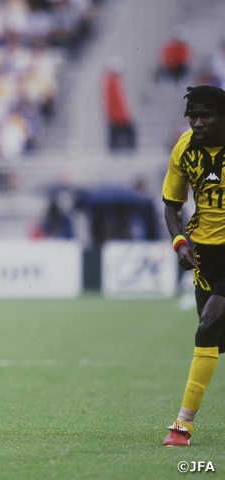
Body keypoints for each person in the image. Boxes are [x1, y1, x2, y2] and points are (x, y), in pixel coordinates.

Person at [161, 85, 225, 446]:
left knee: (207, 325)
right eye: (193, 116)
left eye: (206, 116)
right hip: (205, 255)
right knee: (214, 339)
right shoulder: (184, 148)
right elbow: (171, 204)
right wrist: (180, 241)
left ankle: (182, 426)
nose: (198, 123)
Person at [103, 58, 137, 151]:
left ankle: (115, 150)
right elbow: (118, 101)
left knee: (114, 135)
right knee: (128, 133)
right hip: (119, 116)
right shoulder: (113, 82)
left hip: (115, 115)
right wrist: (124, 115)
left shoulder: (109, 81)